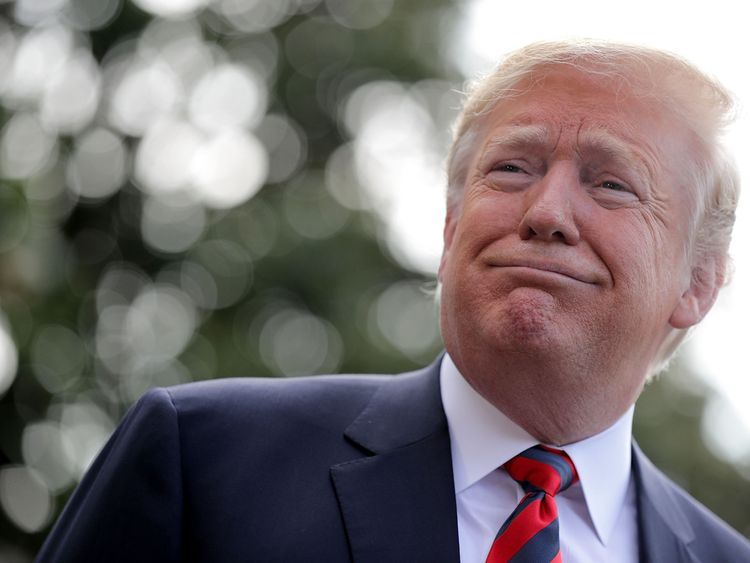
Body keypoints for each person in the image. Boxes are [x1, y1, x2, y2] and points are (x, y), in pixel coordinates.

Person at [37, 41, 750, 563]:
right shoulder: (201, 462)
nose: (545, 210)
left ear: (697, 283)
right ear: (448, 229)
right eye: (512, 167)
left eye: (611, 184)